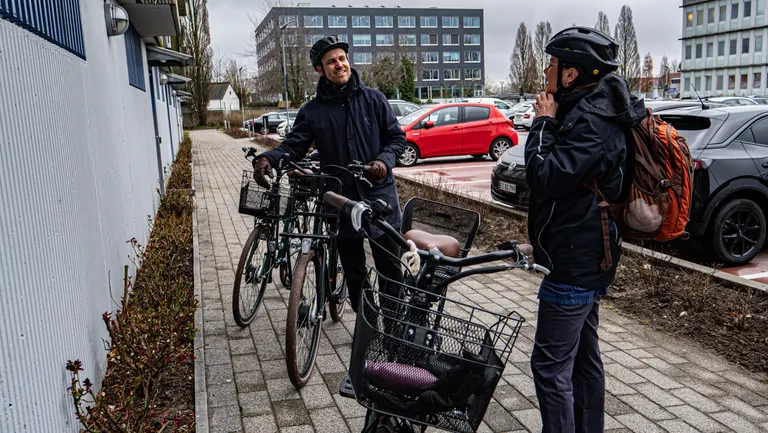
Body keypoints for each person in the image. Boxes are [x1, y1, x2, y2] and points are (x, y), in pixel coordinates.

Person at [524, 27, 646, 432]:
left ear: (571, 73)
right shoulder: (590, 110)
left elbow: (544, 177)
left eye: (552, 65)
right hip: (587, 254)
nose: (546, 71)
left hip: (574, 261)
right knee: (582, 358)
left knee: (549, 365)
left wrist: (543, 124)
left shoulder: (591, 121)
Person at [251, 35, 405, 314]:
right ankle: (368, 328)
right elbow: (294, 146)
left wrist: (383, 163)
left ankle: (395, 331)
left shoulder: (374, 99)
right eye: (331, 61)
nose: (339, 65)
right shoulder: (312, 111)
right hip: (340, 198)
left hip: (380, 195)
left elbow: (396, 139)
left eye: (342, 58)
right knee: (354, 272)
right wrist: (266, 159)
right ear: (319, 70)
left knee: (390, 270)